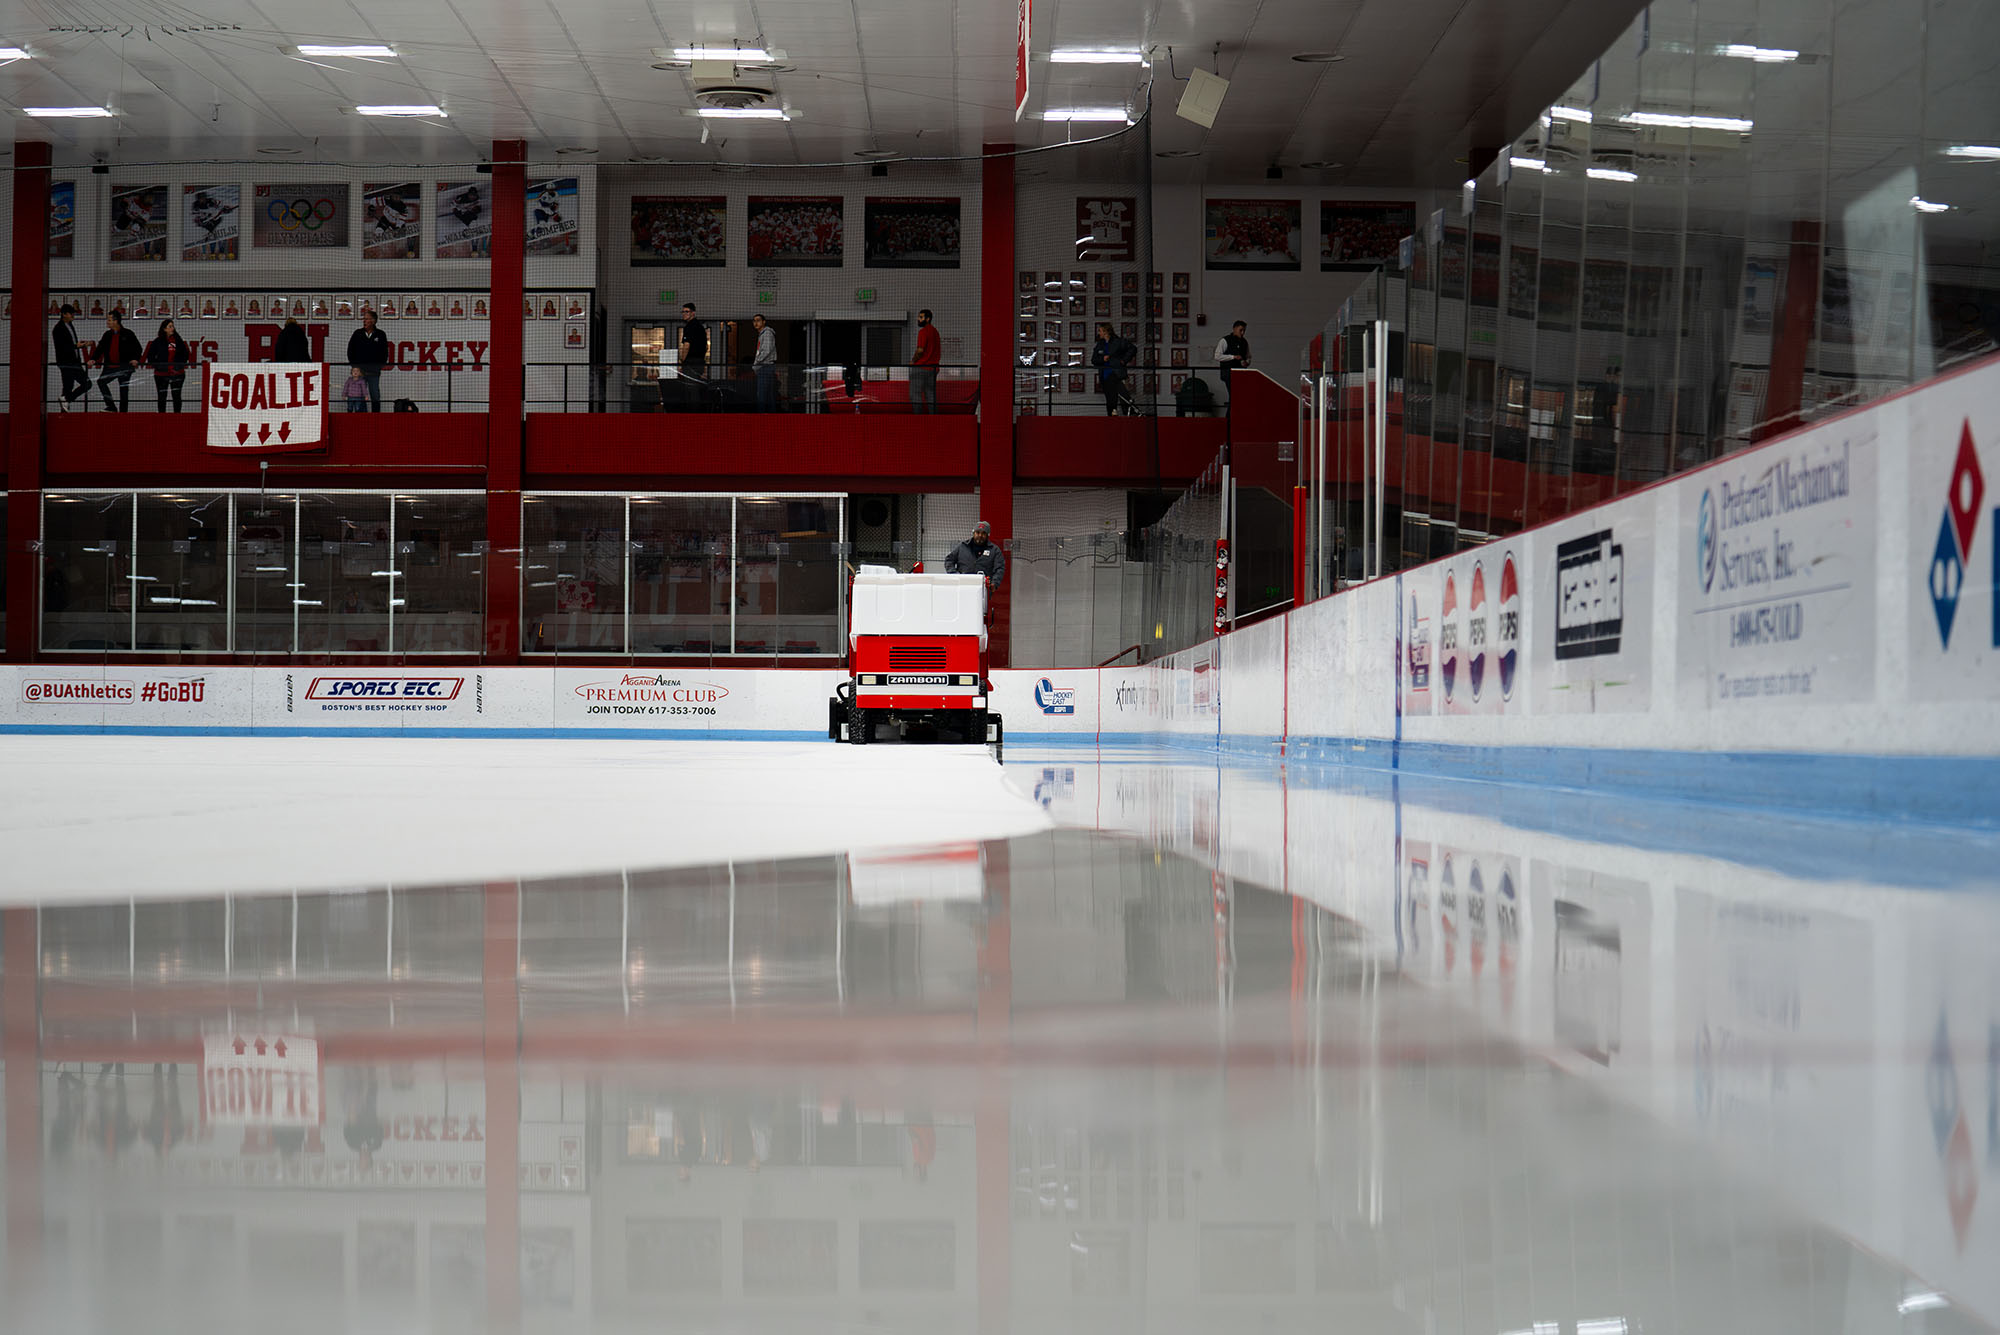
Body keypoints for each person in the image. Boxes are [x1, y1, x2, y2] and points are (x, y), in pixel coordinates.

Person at [94, 310, 142, 412]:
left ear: (116, 321)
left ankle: (123, 414)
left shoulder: (128, 333)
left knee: (123, 390)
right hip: (110, 367)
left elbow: (138, 348)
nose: (107, 322)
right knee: (101, 382)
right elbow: (99, 349)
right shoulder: (107, 335)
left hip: (124, 367)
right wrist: (92, 359)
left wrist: (135, 359)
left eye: (109, 320)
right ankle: (111, 406)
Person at [145, 317, 192, 413]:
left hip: (177, 373)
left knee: (177, 396)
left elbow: (185, 355)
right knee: (162, 396)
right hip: (161, 375)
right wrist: (159, 366)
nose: (172, 329)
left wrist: (178, 366)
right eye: (170, 326)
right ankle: (162, 417)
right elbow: (150, 356)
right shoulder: (157, 342)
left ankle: (177, 417)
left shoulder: (179, 341)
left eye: (173, 326)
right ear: (164, 329)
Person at [346, 307, 390, 411]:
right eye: (364, 319)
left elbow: (384, 352)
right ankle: (362, 416)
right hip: (360, 371)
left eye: (367, 319)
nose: (364, 321)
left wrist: (379, 366)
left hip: (374, 371)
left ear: (373, 321)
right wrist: (355, 367)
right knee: (359, 395)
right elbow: (350, 351)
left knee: (375, 395)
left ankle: (376, 417)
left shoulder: (381, 334)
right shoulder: (357, 333)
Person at [944, 519, 1005, 590]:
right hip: (963, 586)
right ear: (973, 533)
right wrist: (955, 575)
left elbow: (1000, 568)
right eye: (977, 532)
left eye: (983, 533)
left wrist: (995, 582)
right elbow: (949, 560)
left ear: (988, 535)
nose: (980, 535)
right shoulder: (962, 546)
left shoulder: (994, 550)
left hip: (983, 588)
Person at [1090, 322, 1136, 417]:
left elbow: (1132, 349)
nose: (1099, 333)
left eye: (1100, 331)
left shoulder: (1118, 341)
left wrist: (1124, 360)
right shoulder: (1100, 344)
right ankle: (1117, 413)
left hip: (1115, 372)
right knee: (1112, 396)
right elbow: (1093, 360)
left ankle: (1120, 411)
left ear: (1106, 331)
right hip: (1104, 375)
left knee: (1114, 393)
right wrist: (1102, 359)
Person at [52, 302, 90, 411]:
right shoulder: (58, 328)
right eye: (70, 313)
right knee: (70, 386)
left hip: (75, 362)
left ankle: (66, 400)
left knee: (83, 384)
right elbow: (61, 347)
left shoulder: (70, 325)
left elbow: (71, 344)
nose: (73, 315)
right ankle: (65, 407)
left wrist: (80, 345)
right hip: (66, 362)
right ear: (64, 314)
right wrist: (75, 346)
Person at [673, 301, 709, 411]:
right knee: (697, 388)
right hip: (700, 362)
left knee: (690, 389)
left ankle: (693, 414)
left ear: (693, 313)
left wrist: (682, 360)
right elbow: (706, 347)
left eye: (686, 312)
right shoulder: (701, 327)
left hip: (691, 363)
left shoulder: (689, 327)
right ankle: (698, 412)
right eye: (683, 312)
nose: (684, 314)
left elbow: (686, 345)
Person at [911, 308, 941, 414]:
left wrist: (913, 361)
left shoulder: (923, 332)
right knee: (930, 394)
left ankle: (918, 418)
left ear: (927, 319)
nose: (918, 319)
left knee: (916, 394)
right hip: (933, 368)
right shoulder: (935, 332)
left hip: (921, 367)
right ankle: (933, 417)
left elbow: (920, 350)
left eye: (921, 317)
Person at [751, 313, 778, 413]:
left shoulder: (766, 333)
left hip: (765, 366)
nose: (756, 323)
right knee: (768, 394)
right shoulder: (763, 334)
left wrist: (756, 363)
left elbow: (766, 351)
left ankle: (762, 416)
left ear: (764, 322)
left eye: (758, 320)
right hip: (766, 367)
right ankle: (770, 416)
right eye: (754, 321)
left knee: (762, 394)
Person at [1215, 320, 1251, 396]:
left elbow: (1248, 356)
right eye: (1240, 330)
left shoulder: (1244, 342)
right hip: (1228, 373)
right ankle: (1232, 408)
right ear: (1234, 329)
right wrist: (1233, 357)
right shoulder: (1225, 340)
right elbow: (1217, 356)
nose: (1243, 333)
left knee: (1238, 395)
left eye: (1244, 330)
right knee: (1234, 395)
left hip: (1241, 373)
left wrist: (1247, 362)